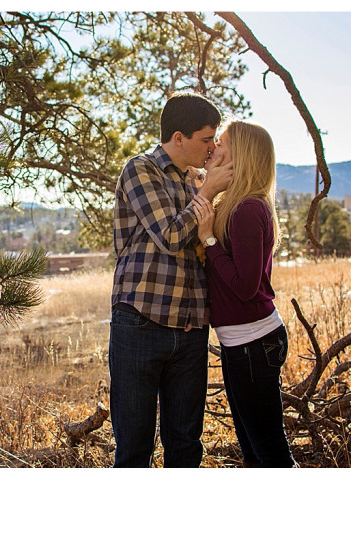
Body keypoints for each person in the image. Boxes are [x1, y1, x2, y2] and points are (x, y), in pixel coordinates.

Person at [108, 92, 232, 467]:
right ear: (179, 138)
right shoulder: (140, 170)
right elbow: (170, 236)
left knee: (186, 445)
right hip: (141, 322)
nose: (212, 147)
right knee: (135, 448)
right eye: (206, 139)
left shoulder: (196, 178)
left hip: (192, 327)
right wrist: (209, 190)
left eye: (214, 139)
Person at [193, 120, 296, 467]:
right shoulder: (232, 205)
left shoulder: (248, 209)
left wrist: (209, 240)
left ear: (242, 155)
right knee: (254, 451)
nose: (214, 149)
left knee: (268, 452)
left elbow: (245, 286)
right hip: (242, 345)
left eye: (220, 142)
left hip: (255, 344)